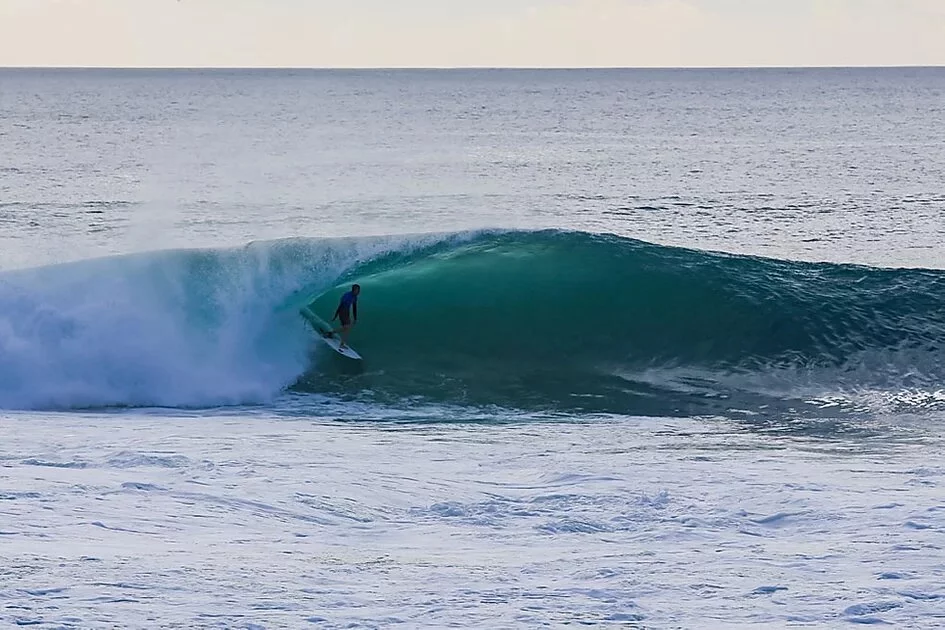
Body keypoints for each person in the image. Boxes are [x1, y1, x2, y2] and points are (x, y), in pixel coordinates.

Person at [325, 284, 360, 348]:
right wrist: (336, 316)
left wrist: (355, 318)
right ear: (354, 290)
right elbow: (340, 306)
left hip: (347, 312)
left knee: (345, 328)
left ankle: (330, 333)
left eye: (359, 290)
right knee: (347, 328)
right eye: (357, 291)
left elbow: (354, 307)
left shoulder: (355, 297)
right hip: (342, 311)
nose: (359, 292)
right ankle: (342, 344)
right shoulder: (346, 296)